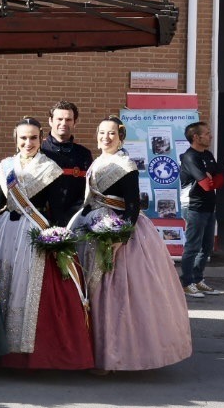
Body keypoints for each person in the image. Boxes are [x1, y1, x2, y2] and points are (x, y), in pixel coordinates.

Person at [73, 117, 193, 371]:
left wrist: (120, 238)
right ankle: (88, 350)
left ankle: (114, 355)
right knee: (89, 292)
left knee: (116, 295)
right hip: (92, 226)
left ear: (121, 137)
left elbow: (132, 206)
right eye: (102, 132)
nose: (106, 137)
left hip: (117, 229)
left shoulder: (125, 164)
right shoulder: (97, 161)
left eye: (112, 133)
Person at [0, 117, 95, 371]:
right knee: (2, 283)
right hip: (3, 233)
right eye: (23, 138)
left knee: (28, 288)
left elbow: (56, 209)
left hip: (33, 232)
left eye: (33, 138)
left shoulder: (50, 168)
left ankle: (24, 353)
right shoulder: (5, 168)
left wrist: (57, 238)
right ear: (16, 139)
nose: (28, 142)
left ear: (40, 138)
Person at [178, 121, 224, 297]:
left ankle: (198, 279)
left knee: (207, 246)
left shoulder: (208, 155)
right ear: (196, 137)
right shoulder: (190, 157)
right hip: (193, 207)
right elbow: (206, 185)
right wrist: (208, 178)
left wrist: (210, 178)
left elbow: (220, 180)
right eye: (207, 133)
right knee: (193, 246)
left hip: (209, 206)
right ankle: (186, 282)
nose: (210, 136)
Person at [39, 100, 92, 227]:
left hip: (74, 222)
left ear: (75, 123)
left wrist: (71, 216)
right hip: (40, 221)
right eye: (59, 119)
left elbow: (88, 191)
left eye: (68, 120)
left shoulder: (84, 154)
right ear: (50, 121)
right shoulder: (39, 151)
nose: (63, 123)